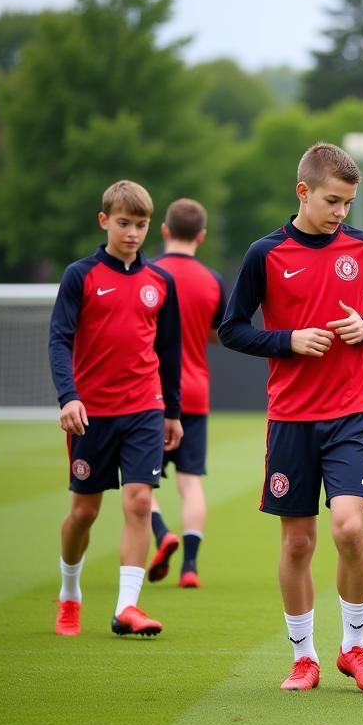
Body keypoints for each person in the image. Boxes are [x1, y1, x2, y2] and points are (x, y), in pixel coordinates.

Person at [219, 142, 363, 692]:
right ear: (303, 192)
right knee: (298, 542)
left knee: (349, 528)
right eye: (333, 201)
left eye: (349, 203)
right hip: (291, 418)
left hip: (351, 413)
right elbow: (231, 328)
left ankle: (355, 648)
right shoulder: (264, 254)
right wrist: (287, 340)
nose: (342, 213)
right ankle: (304, 656)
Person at [49, 180, 183, 639]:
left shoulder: (160, 282)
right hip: (92, 413)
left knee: (141, 500)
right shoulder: (80, 276)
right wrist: (68, 397)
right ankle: (70, 593)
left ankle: (127, 606)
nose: (132, 233)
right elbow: (60, 339)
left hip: (145, 408)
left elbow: (169, 351)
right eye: (124, 223)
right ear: (104, 221)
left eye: (141, 225)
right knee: (84, 512)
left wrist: (173, 412)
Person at [148, 198, 226, 588]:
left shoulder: (149, 274)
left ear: (164, 230)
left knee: (140, 480)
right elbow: (217, 334)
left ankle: (162, 533)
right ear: (202, 236)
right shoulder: (212, 280)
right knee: (191, 481)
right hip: (194, 392)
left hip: (150, 394)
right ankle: (190, 566)